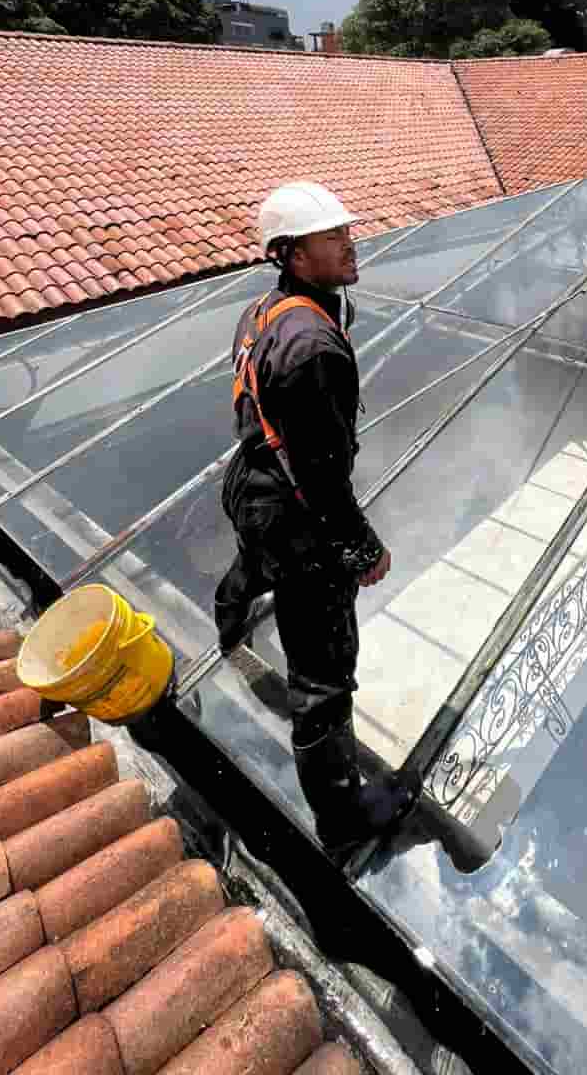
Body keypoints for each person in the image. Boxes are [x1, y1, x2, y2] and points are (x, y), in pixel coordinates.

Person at [215, 181, 420, 857]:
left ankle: (228, 618)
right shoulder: (314, 349)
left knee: (253, 561)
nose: (350, 241)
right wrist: (363, 551)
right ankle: (342, 815)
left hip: (251, 488)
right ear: (295, 256)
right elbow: (323, 480)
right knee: (322, 679)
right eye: (334, 237)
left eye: (345, 230)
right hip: (297, 520)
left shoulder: (266, 310)